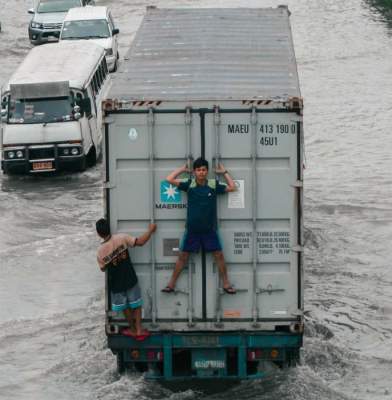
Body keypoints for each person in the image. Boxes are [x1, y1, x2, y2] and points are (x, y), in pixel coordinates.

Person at [162, 157, 237, 294]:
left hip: (209, 230)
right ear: (195, 172)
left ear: (207, 171)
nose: (201, 172)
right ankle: (171, 284)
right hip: (192, 230)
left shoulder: (213, 185)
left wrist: (224, 172)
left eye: (203, 170)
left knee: (219, 255)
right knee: (183, 256)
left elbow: (233, 187)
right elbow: (169, 179)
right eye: (198, 170)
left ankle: (226, 284)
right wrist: (183, 169)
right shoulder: (189, 184)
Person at [96, 218, 156, 340]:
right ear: (109, 228)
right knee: (136, 304)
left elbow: (102, 269)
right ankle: (139, 329)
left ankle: (133, 329)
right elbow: (140, 242)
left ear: (98, 233)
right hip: (129, 277)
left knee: (124, 307)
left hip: (116, 283)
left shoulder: (100, 251)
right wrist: (150, 231)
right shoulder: (121, 238)